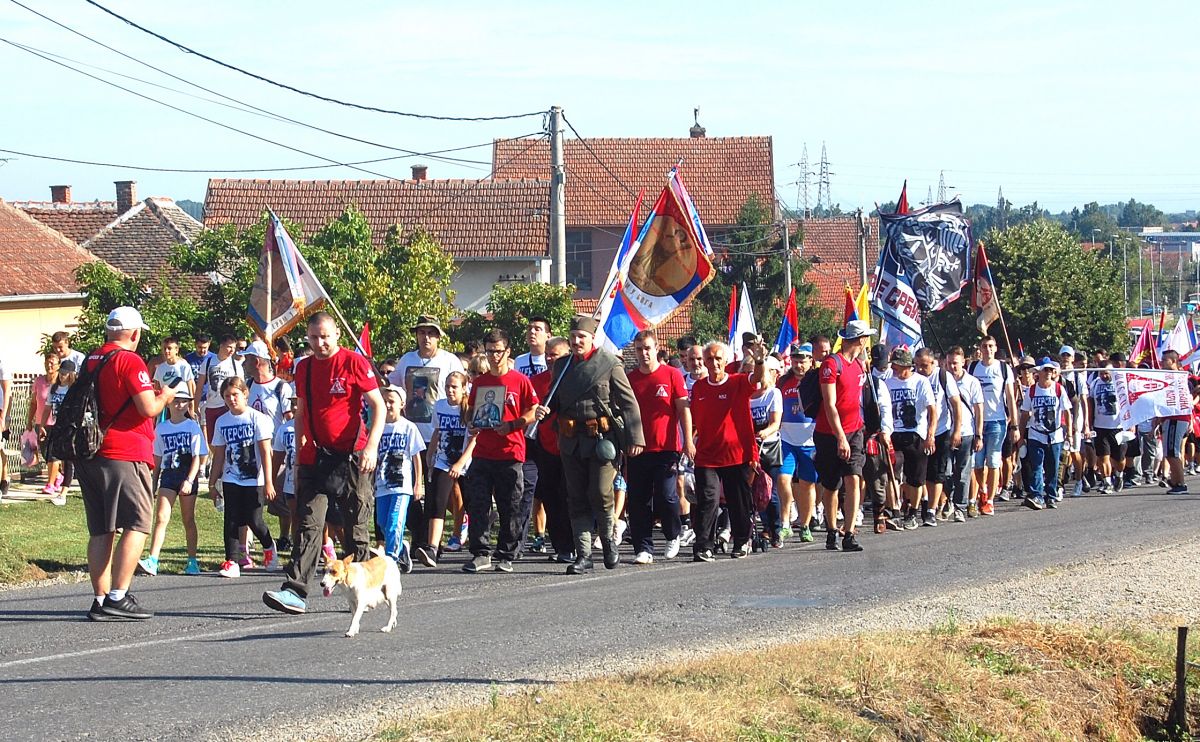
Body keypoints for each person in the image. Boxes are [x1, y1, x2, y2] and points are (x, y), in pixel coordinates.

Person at [263, 312, 385, 615]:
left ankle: (361, 588)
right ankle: (295, 591)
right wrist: (299, 452)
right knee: (308, 523)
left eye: (325, 336)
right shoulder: (303, 369)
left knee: (355, 525)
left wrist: (371, 446)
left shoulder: (354, 362)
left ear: (336, 336)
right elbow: (301, 413)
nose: (320, 343)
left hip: (353, 456)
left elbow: (378, 406)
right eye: (314, 337)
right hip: (316, 456)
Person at [78, 307, 178, 621]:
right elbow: (148, 407)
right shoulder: (129, 360)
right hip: (125, 452)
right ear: (134, 333)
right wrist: (165, 397)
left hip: (91, 450)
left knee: (101, 528)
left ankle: (100, 598)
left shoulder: (91, 359)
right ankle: (118, 595)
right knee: (138, 522)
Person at [543, 316, 644, 574]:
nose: (577, 342)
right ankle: (584, 555)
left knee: (600, 493)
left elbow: (628, 403)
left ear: (592, 339)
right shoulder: (562, 366)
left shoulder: (609, 364)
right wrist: (543, 409)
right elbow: (554, 399)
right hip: (570, 441)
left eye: (582, 337)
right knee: (576, 497)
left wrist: (635, 438)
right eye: (573, 337)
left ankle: (609, 541)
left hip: (602, 441)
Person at [388, 316, 464, 571]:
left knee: (436, 493)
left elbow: (461, 393)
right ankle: (421, 536)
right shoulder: (407, 360)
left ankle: (434, 542)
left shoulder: (449, 360)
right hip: (411, 435)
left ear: (439, 337)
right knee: (407, 490)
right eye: (422, 332)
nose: (426, 338)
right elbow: (393, 387)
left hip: (440, 435)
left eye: (431, 333)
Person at [462, 330, 539, 574]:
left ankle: (506, 554)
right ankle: (480, 553)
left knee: (511, 506)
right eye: (489, 351)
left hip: (511, 452)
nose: (494, 356)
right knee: (478, 503)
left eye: (498, 351)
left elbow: (533, 411)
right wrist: (471, 422)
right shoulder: (480, 383)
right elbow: (470, 411)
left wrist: (513, 424)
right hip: (483, 452)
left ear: (507, 352)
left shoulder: (520, 381)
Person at [688, 340, 763, 561]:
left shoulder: (738, 382)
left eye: (718, 358)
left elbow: (757, 378)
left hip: (736, 454)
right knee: (708, 499)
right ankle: (704, 546)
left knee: (737, 501)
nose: (713, 363)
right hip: (707, 456)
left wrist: (759, 360)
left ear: (726, 360)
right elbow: (695, 420)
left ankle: (741, 541)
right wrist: (689, 443)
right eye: (709, 358)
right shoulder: (699, 387)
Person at [626, 329, 693, 564]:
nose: (643, 353)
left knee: (666, 496)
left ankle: (673, 534)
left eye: (647, 348)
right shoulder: (630, 379)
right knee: (638, 500)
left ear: (656, 349)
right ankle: (643, 548)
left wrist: (688, 442)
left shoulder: (672, 375)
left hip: (666, 448)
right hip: (638, 449)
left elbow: (683, 409)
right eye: (639, 349)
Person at [814, 320, 875, 553]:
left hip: (855, 430)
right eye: (865, 338)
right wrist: (840, 437)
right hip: (829, 433)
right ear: (859, 340)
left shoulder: (860, 365)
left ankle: (849, 533)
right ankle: (831, 529)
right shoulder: (831, 364)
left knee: (854, 479)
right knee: (831, 484)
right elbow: (829, 404)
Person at [208, 377, 278, 578]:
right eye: (227, 396)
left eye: (235, 395)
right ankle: (231, 561)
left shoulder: (258, 418)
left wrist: (269, 481)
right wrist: (213, 483)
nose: (231, 399)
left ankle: (267, 546)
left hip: (254, 479)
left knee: (254, 519)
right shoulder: (222, 421)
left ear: (245, 394)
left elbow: (266, 452)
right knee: (231, 519)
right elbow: (219, 454)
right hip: (232, 478)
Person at [138, 389, 203, 576]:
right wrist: (153, 482)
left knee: (188, 519)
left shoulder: (193, 427)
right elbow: (157, 459)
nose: (179, 405)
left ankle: (192, 561)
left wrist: (190, 480)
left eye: (184, 402)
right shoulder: (161, 428)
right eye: (176, 401)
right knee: (161, 518)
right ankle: (153, 559)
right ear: (168, 403)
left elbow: (197, 457)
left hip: (186, 475)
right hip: (168, 475)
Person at [415, 370, 476, 567]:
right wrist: (431, 457)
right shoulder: (440, 406)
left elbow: (474, 439)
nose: (450, 390)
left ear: (464, 387)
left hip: (466, 461)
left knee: (473, 503)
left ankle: (477, 544)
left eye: (454, 387)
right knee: (437, 501)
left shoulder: (469, 408)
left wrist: (460, 463)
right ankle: (433, 548)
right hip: (443, 459)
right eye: (448, 386)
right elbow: (438, 432)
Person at [527, 338, 575, 564]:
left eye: (554, 355)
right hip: (545, 447)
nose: (549, 358)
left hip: (571, 446)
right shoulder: (536, 381)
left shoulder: (575, 379)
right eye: (547, 354)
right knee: (550, 497)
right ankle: (560, 545)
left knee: (570, 497)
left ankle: (575, 544)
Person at [882, 347, 937, 530]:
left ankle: (913, 512)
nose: (894, 368)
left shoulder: (920, 382)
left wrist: (930, 436)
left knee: (916, 479)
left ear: (906, 365)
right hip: (894, 434)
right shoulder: (888, 383)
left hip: (916, 434)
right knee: (892, 473)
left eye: (896, 365)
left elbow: (932, 411)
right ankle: (895, 511)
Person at [374, 385, 425, 570]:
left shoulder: (408, 427)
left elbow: (416, 457)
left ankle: (391, 560)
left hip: (402, 485)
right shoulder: (378, 427)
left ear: (402, 404)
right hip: (382, 484)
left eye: (391, 402)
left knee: (395, 522)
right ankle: (401, 547)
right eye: (385, 401)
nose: (387, 405)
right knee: (382, 522)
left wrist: (418, 483)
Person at [969, 336, 1018, 516]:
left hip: (997, 420)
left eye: (991, 346)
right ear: (980, 348)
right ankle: (982, 489)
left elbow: (1011, 397)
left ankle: (990, 500)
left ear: (995, 348)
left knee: (994, 460)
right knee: (978, 462)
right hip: (977, 421)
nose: (988, 349)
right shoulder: (973, 368)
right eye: (984, 346)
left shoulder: (1004, 369)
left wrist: (1014, 424)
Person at [915, 348, 961, 525]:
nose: (920, 369)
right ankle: (926, 503)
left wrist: (956, 431)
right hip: (920, 431)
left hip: (941, 430)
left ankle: (932, 511)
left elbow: (956, 405)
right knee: (922, 472)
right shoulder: (915, 378)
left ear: (933, 363)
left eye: (924, 366)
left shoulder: (943, 377)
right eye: (917, 365)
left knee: (937, 472)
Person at [1020, 358, 1074, 509]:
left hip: (1054, 435)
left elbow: (1067, 412)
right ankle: (1037, 495)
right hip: (1036, 434)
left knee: (1053, 466)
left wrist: (1069, 433)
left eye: (1051, 370)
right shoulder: (1032, 391)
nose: (1048, 373)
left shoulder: (1058, 389)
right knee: (1036, 466)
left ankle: (1051, 494)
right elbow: (1025, 414)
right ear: (1039, 373)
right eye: (1046, 370)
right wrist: (1021, 435)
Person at [777, 342, 815, 541]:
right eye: (795, 361)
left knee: (807, 485)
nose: (799, 365)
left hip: (810, 441)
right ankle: (785, 522)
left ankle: (806, 524)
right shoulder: (783, 382)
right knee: (783, 479)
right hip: (787, 439)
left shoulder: (815, 380)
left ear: (810, 361)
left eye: (803, 361)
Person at [945, 347, 984, 521]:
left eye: (955, 363)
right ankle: (949, 499)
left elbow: (979, 409)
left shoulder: (972, 382)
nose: (952, 366)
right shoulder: (942, 379)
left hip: (967, 432)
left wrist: (979, 434)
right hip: (946, 431)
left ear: (963, 363)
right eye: (949, 363)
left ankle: (960, 506)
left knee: (962, 472)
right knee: (945, 471)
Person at [750, 356, 785, 546]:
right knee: (755, 491)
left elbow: (775, 423)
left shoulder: (773, 394)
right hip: (750, 447)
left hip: (768, 447)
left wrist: (764, 432)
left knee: (770, 491)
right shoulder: (748, 395)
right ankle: (765, 527)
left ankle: (776, 528)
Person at [38, 359, 77, 504]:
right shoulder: (54, 389)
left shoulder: (74, 390)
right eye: (61, 373)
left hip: (69, 427)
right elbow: (47, 408)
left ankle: (64, 492)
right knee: (51, 454)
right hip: (56, 426)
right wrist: (42, 425)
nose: (62, 376)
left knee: (69, 460)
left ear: (71, 374)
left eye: (65, 374)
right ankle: (58, 480)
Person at [197, 335, 244, 448]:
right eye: (229, 347)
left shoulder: (236, 365)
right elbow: (199, 386)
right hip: (211, 405)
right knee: (211, 440)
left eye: (233, 347)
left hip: (228, 406)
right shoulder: (208, 362)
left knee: (228, 438)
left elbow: (242, 388)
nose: (232, 350)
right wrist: (195, 407)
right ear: (221, 346)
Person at [1088, 360, 1125, 494]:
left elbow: (1127, 403)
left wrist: (1130, 423)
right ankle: (1107, 481)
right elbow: (1090, 404)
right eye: (1101, 373)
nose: (1104, 376)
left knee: (1119, 459)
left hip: (1117, 426)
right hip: (1100, 426)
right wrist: (1089, 423)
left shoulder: (1120, 383)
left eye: (1106, 373)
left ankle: (1119, 475)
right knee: (1103, 457)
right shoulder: (1095, 383)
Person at [1161, 349, 1190, 495]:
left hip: (1177, 418)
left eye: (1165, 360)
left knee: (1173, 453)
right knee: (1169, 453)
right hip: (1169, 418)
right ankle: (1176, 481)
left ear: (1173, 361)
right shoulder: (1167, 376)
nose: (1161, 363)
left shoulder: (1180, 377)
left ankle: (1181, 484)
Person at [152, 337, 196, 403]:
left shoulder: (184, 366)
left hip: (181, 405)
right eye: (164, 348)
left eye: (169, 348)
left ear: (176, 350)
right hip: (166, 405)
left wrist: (192, 407)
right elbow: (157, 390)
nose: (166, 351)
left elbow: (191, 389)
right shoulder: (160, 368)